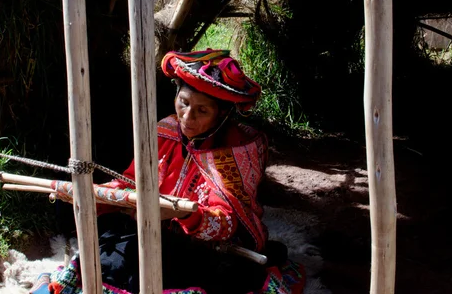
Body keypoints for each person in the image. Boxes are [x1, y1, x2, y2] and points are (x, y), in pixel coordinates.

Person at [35, 49, 306, 294]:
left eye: (202, 111)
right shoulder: (164, 131)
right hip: (150, 227)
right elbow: (131, 180)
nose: (187, 117)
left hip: (200, 245)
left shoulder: (237, 150)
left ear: (221, 115)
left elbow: (228, 222)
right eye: (184, 103)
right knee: (101, 243)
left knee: (202, 273)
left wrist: (187, 214)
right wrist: (106, 195)